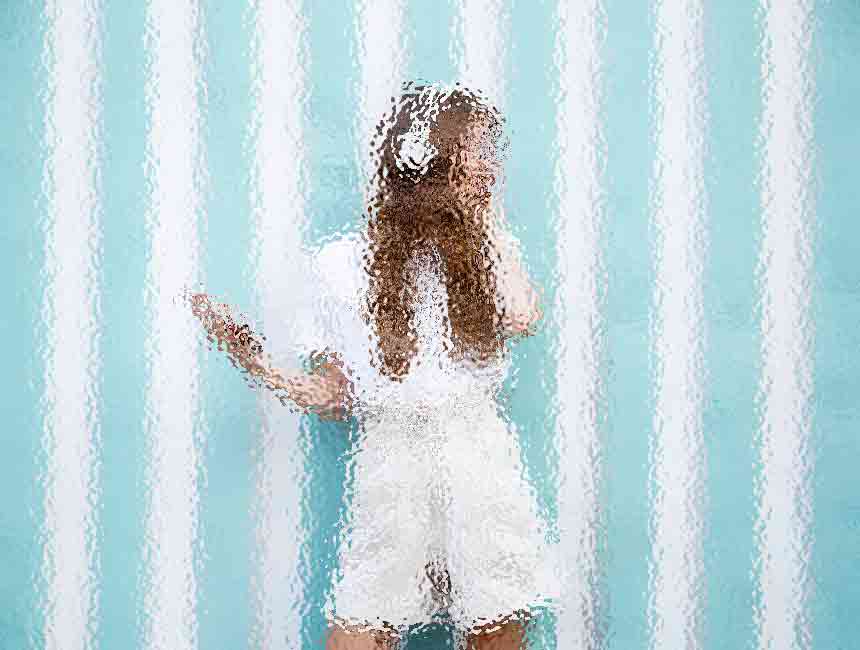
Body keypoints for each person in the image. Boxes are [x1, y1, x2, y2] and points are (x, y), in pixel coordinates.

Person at [190, 83, 554, 649]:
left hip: (478, 459)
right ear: (430, 164)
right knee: (360, 628)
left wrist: (485, 219)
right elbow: (336, 398)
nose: (489, 167)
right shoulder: (340, 266)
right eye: (475, 152)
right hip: (391, 466)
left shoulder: (487, 251)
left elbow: (523, 317)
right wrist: (256, 363)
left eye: (490, 153)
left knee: (496, 631)